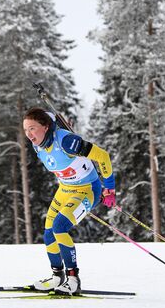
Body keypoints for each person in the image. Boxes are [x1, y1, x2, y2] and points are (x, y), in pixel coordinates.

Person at [22, 107, 116, 296]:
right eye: (25, 130)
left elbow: (102, 156)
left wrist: (109, 188)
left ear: (46, 127)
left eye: (32, 128)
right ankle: (57, 277)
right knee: (49, 231)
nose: (29, 135)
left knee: (60, 227)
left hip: (87, 190)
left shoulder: (67, 141)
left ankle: (73, 279)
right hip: (65, 189)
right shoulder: (37, 144)